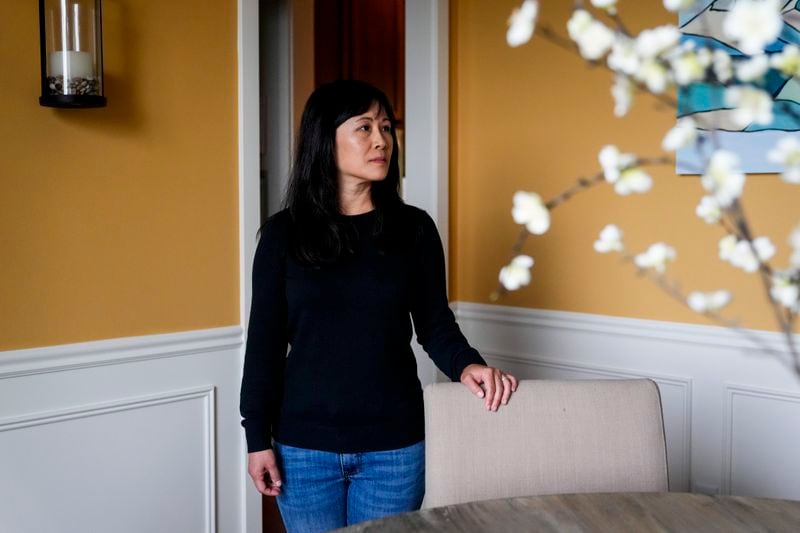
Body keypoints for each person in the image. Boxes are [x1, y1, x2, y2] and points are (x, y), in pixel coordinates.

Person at [240, 79, 518, 532]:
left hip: (395, 449)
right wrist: (257, 439)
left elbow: (435, 323)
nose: (381, 140)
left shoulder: (415, 230)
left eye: (386, 127)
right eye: (364, 127)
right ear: (323, 140)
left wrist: (468, 365)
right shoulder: (281, 237)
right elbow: (264, 347)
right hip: (303, 449)